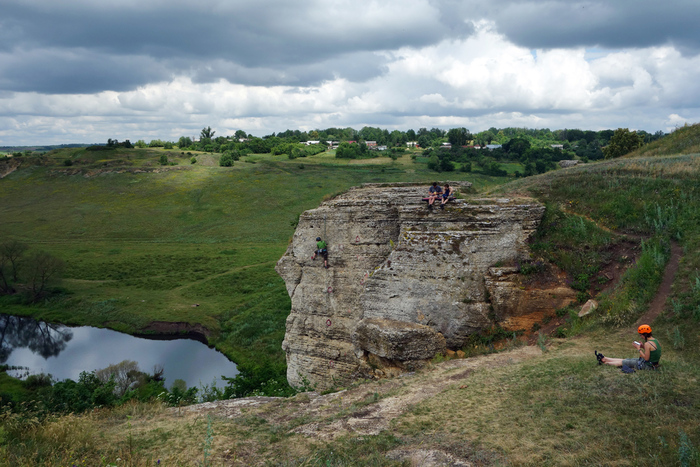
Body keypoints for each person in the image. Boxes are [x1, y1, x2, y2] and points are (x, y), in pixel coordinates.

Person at [595, 324, 661, 370]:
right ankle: (604, 358)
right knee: (626, 360)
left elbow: (646, 358)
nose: (641, 337)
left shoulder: (647, 343)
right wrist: (642, 347)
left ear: (645, 335)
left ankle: (605, 363)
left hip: (648, 366)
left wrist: (638, 349)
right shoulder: (656, 340)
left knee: (624, 363)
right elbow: (652, 351)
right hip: (653, 364)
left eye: (641, 335)